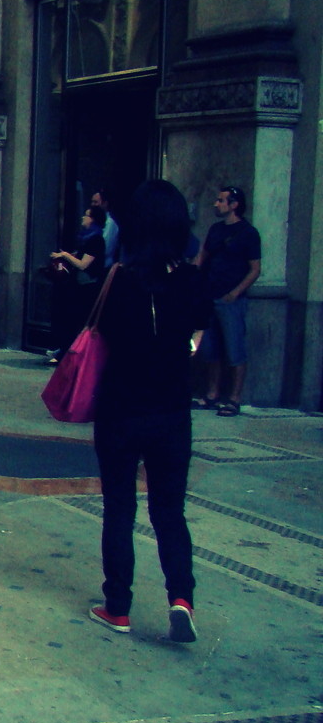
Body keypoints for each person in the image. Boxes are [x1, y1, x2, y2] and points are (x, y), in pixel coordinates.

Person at [89, 179, 213, 643]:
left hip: (121, 408)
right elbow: (197, 337)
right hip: (171, 411)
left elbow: (99, 334)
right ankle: (181, 597)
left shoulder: (119, 279)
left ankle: (118, 607)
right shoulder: (193, 280)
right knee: (169, 509)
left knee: (119, 507)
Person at [192, 185, 261, 418]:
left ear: (234, 205)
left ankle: (234, 398)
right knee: (210, 349)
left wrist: (236, 292)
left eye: (221, 200)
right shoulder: (215, 230)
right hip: (209, 296)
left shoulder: (248, 233)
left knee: (234, 349)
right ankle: (212, 393)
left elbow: (255, 268)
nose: (216, 204)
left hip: (231, 299)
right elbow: (202, 257)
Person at [46, 205, 107, 365]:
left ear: (93, 219)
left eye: (86, 215)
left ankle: (71, 354)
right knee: (70, 320)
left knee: (77, 321)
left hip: (87, 287)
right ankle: (64, 351)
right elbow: (80, 256)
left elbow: (83, 264)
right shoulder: (87, 238)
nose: (83, 218)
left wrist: (65, 255)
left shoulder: (96, 239)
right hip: (79, 285)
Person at [91, 188, 119, 267]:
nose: (92, 205)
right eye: (92, 202)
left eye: (95, 202)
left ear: (105, 203)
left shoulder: (110, 223)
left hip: (103, 267)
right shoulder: (94, 222)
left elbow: (105, 249)